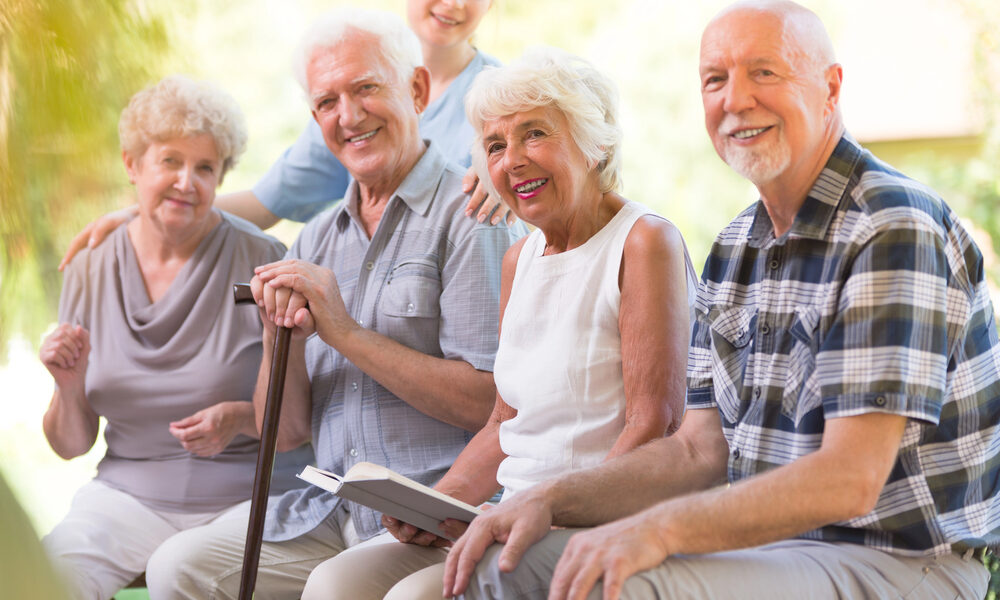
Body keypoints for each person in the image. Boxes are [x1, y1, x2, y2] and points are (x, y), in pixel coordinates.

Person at [442, 1, 1000, 599]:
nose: (735, 99)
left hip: (898, 561)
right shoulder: (737, 246)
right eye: (716, 80)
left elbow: (851, 479)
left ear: (829, 88)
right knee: (503, 563)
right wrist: (545, 500)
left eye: (765, 72)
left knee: (613, 584)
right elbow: (694, 451)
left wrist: (654, 529)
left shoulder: (890, 223)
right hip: (773, 553)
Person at [142, 8, 525, 599]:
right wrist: (279, 336)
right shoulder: (316, 238)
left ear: (417, 90)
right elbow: (290, 429)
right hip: (333, 511)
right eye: (327, 102)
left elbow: (489, 403)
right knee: (178, 566)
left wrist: (343, 331)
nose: (348, 116)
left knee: (333, 589)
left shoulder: (473, 215)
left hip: (440, 514)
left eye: (367, 88)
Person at [299, 46, 699, 600]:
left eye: (534, 134)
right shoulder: (520, 260)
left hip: (596, 516)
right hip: (511, 509)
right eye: (495, 145)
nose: (511, 161)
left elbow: (655, 423)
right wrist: (436, 505)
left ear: (595, 143)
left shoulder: (644, 240)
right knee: (335, 583)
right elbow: (502, 423)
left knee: (410, 598)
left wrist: (557, 510)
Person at [38, 75, 312, 600]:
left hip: (245, 499)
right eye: (170, 161)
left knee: (177, 571)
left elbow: (297, 420)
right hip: (125, 498)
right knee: (47, 579)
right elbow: (71, 445)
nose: (187, 181)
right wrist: (69, 385)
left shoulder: (263, 261)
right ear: (132, 165)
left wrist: (236, 418)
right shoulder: (89, 265)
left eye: (205, 167)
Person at [57, 0, 508, 271]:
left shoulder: (506, 99)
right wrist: (143, 212)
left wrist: (513, 184)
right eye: (330, 101)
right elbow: (262, 204)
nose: (453, 2)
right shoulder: (345, 110)